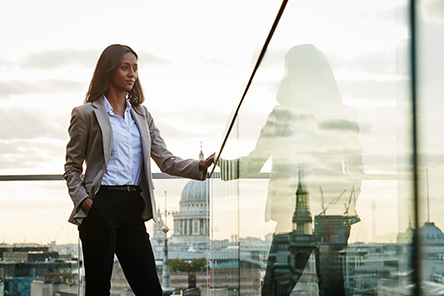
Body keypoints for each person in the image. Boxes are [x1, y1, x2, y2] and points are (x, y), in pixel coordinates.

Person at [63, 44, 215, 296]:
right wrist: (88, 203)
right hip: (101, 205)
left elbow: (165, 160)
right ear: (108, 71)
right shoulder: (86, 114)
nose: (132, 74)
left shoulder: (142, 116)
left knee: (149, 288)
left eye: (135, 68)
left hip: (133, 206)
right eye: (125, 68)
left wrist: (198, 166)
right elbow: (71, 168)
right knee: (99, 288)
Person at [218, 44, 363, 295]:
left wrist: (347, 207)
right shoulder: (280, 115)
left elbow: (355, 166)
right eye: (292, 71)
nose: (295, 77)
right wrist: (220, 167)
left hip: (331, 216)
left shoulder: (340, 113)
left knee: (331, 288)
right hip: (292, 214)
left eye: (299, 71)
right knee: (273, 288)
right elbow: (256, 159)